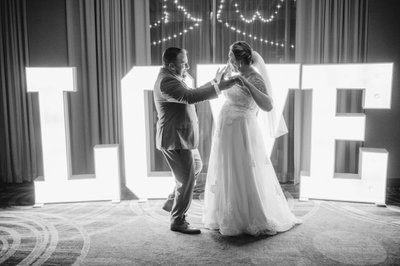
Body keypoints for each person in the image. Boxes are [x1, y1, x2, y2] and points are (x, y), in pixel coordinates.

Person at [203, 41, 301, 236]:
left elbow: (268, 105)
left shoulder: (255, 77)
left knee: (243, 169)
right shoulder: (233, 74)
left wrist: (246, 83)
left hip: (243, 129)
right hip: (226, 129)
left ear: (239, 59)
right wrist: (218, 81)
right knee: (228, 168)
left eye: (230, 55)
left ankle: (249, 216)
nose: (228, 58)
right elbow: (225, 93)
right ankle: (226, 213)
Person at [153, 47, 241, 234]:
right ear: (171, 65)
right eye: (183, 62)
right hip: (175, 138)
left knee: (196, 167)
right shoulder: (166, 81)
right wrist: (220, 87)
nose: (187, 65)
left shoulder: (173, 77)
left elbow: (191, 91)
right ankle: (178, 221)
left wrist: (215, 82)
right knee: (187, 181)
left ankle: (172, 201)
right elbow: (189, 97)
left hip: (183, 136)